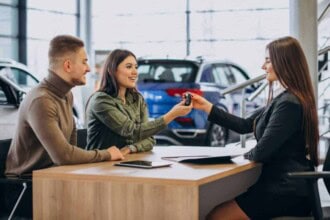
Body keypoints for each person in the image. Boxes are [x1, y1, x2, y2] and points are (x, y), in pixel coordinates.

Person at [190, 36, 319, 219]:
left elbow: (261, 152)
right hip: (282, 185)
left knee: (216, 216)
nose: (263, 66)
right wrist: (206, 107)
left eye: (267, 60)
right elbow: (244, 125)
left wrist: (237, 157)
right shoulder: (284, 99)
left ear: (283, 63)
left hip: (284, 190)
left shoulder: (289, 103)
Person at [85, 49, 192, 154]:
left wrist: (131, 148)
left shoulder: (137, 99)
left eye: (136, 67)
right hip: (100, 165)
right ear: (112, 70)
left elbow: (149, 139)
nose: (135, 72)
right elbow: (132, 132)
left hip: (127, 162)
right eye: (129, 67)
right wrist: (172, 115)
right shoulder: (100, 100)